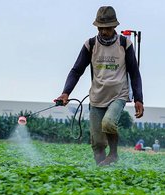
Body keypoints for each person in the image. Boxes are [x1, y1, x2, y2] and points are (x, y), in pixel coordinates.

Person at [54, 6, 144, 166]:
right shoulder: (90, 45)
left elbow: (135, 73)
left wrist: (139, 98)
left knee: (108, 123)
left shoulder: (125, 44)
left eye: (107, 28)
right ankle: (102, 173)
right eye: (100, 28)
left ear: (114, 26)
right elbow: (76, 70)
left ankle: (114, 154)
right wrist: (65, 92)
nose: (103, 31)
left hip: (118, 95)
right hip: (97, 97)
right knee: (97, 144)